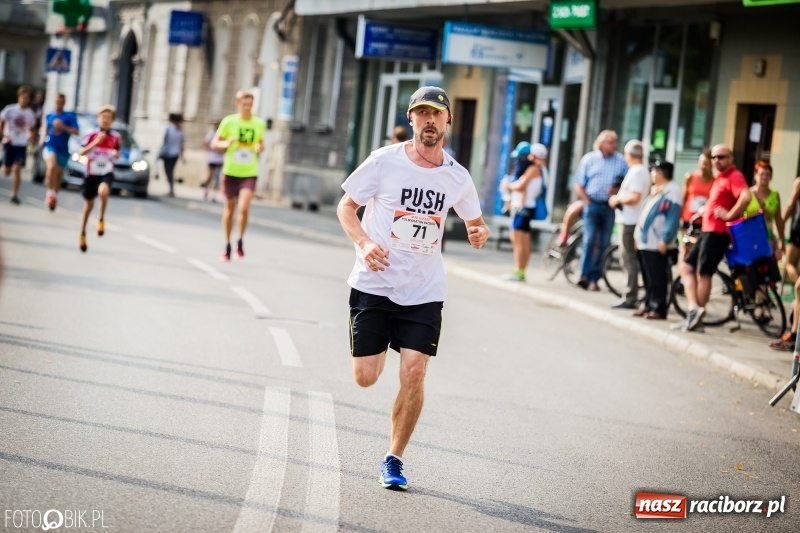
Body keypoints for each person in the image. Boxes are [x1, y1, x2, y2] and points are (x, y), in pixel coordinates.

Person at [336, 86, 488, 491]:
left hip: (424, 290)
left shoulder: (456, 176)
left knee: (416, 371)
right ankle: (380, 345)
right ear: (411, 119)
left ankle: (394, 458)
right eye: (422, 114)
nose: (429, 121)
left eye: (436, 114)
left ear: (448, 121)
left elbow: (475, 221)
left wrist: (478, 232)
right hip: (375, 283)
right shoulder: (384, 163)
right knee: (366, 377)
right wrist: (365, 243)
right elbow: (346, 207)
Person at [674, 144, 751, 332]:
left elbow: (746, 197)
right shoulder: (720, 178)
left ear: (731, 158)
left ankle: (697, 319)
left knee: (704, 273)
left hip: (717, 233)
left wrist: (729, 215)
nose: (717, 160)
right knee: (686, 267)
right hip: (707, 231)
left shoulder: (734, 176)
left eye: (722, 157)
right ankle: (694, 310)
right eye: (715, 157)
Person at [212, 89, 266, 261]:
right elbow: (214, 144)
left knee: (243, 207)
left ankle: (240, 240)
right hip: (230, 171)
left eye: (250, 105)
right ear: (238, 104)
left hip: (249, 172)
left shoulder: (259, 124)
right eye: (244, 104)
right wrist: (226, 143)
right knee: (229, 209)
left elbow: (260, 143)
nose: (247, 108)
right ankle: (227, 244)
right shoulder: (229, 122)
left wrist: (260, 148)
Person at [573, 130, 629, 291]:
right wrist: (586, 200)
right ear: (601, 143)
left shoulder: (620, 161)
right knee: (589, 240)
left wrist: (617, 190)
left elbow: (626, 183)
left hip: (609, 206)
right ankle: (583, 275)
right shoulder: (589, 159)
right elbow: (578, 183)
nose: (614, 145)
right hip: (592, 204)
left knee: (604, 243)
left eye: (615, 142)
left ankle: (594, 278)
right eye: (610, 142)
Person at [633, 162, 682, 319]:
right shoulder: (658, 191)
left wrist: (665, 239)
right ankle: (648, 304)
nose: (652, 174)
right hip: (646, 242)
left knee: (658, 277)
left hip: (657, 242)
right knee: (648, 277)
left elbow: (672, 219)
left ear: (662, 173)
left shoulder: (672, 192)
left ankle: (658, 308)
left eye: (654, 171)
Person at [608, 140, 650, 308]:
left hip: (630, 220)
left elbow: (635, 197)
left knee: (628, 258)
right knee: (629, 258)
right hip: (628, 219)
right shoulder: (637, 170)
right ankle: (632, 294)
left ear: (629, 155)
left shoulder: (638, 171)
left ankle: (630, 296)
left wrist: (617, 199)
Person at [502, 142, 549, 282]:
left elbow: (520, 185)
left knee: (519, 240)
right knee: (523, 239)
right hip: (528, 207)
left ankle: (519, 271)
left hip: (524, 207)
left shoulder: (534, 168)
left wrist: (508, 186)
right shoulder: (541, 169)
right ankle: (520, 271)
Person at [77, 105, 121, 253]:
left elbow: (117, 153)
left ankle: (101, 219)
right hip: (91, 173)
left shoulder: (116, 137)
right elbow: (82, 152)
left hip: (106, 171)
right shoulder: (91, 134)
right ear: (99, 119)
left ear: (112, 120)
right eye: (103, 117)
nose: (106, 120)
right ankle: (82, 232)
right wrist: (96, 142)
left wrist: (115, 154)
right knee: (88, 206)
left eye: (109, 118)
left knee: (104, 192)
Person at [39, 93, 79, 211]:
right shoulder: (50, 115)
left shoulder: (69, 116)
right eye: (57, 101)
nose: (58, 103)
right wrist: (42, 140)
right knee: (51, 167)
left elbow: (76, 131)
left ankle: (53, 196)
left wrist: (63, 127)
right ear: (54, 102)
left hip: (63, 150)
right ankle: (49, 194)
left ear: (64, 102)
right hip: (50, 146)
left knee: (58, 176)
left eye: (61, 101)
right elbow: (45, 129)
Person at [0, 85, 37, 205]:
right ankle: (4, 163)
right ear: (19, 97)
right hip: (9, 142)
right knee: (6, 171)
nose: (24, 100)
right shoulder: (9, 109)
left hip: (21, 143)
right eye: (23, 97)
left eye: (27, 98)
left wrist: (31, 138)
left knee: (17, 168)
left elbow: (31, 129)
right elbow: (1, 123)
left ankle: (14, 194)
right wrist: (4, 135)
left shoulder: (30, 113)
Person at [679, 149, 715, 265]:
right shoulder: (690, 177)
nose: (703, 166)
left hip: (703, 221)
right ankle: (682, 278)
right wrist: (678, 218)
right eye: (701, 162)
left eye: (706, 163)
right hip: (688, 219)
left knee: (698, 251)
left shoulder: (715, 182)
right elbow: (683, 197)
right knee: (685, 248)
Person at [743, 160, 784, 259]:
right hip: (750, 237)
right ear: (755, 175)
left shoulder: (775, 195)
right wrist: (756, 215)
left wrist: (781, 240)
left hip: (768, 238)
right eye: (761, 174)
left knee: (770, 269)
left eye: (767, 174)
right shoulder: (747, 193)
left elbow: (778, 219)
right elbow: (739, 217)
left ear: (771, 177)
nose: (764, 177)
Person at [160, 113, 185, 197]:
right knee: (171, 171)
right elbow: (182, 145)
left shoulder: (169, 128)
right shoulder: (180, 130)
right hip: (175, 154)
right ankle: (171, 188)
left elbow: (164, 139)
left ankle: (171, 189)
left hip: (168, 153)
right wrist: (182, 156)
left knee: (168, 171)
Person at [202, 121, 224, 202]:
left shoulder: (224, 135)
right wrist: (212, 148)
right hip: (212, 158)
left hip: (220, 159)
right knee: (210, 176)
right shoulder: (211, 134)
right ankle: (206, 190)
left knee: (217, 177)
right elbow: (205, 144)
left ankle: (214, 195)